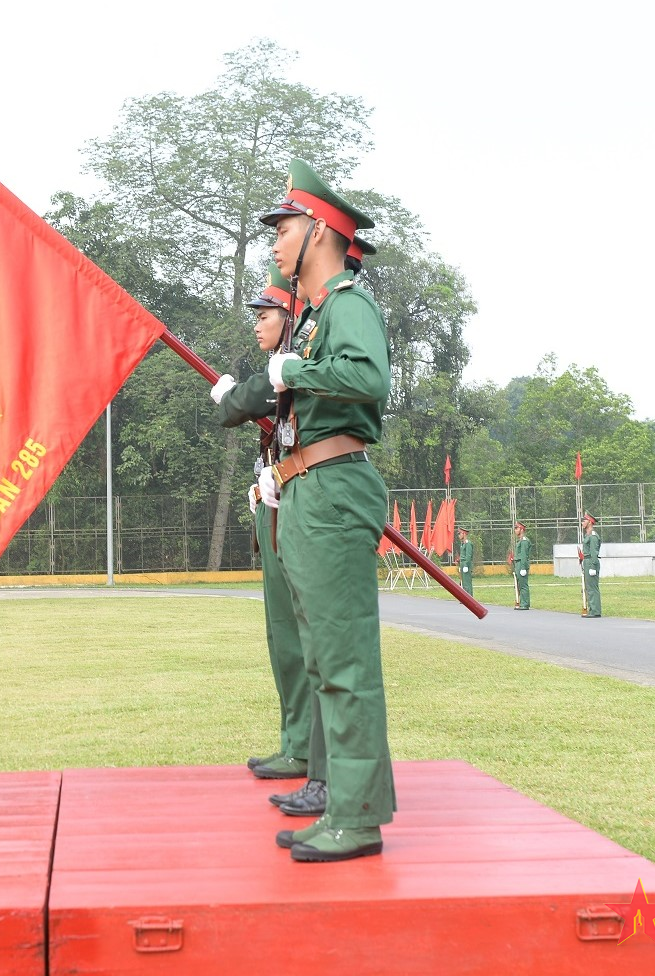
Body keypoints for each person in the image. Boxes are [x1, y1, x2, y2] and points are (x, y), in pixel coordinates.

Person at [257, 158, 393, 863]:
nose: (275, 244)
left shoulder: (347, 305)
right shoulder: (315, 316)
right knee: (322, 659)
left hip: (336, 484)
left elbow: (370, 380)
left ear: (318, 230)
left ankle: (358, 817)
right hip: (310, 484)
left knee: (343, 660)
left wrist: (295, 371)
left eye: (282, 229)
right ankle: (340, 803)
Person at [212, 261, 310, 785]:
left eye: (266, 314)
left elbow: (238, 406)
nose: (257, 322)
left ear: (288, 320)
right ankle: (295, 741)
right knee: (281, 633)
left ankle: (305, 746)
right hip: (275, 504)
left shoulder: (290, 366)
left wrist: (233, 395)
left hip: (298, 507)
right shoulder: (276, 367)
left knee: (297, 633)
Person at [581, 511, 602, 617]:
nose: (582, 523)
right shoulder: (588, 535)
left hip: (591, 562)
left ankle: (595, 611)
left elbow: (594, 551)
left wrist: (593, 566)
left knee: (592, 587)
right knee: (589, 587)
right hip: (587, 561)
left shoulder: (593, 536)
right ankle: (592, 609)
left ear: (589, 522)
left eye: (584, 520)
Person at [512, 521, 532, 609]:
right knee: (519, 584)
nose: (515, 530)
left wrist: (523, 567)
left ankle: (525, 603)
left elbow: (524, 555)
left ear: (522, 529)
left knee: (523, 585)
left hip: (521, 564)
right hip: (518, 563)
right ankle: (521, 602)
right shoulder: (520, 541)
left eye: (517, 528)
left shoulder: (524, 541)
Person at [456, 526, 475, 596]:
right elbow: (463, 555)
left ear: (464, 534)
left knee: (467, 582)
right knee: (463, 582)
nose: (459, 535)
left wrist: (466, 565)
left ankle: (469, 597)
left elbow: (468, 556)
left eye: (459, 534)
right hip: (462, 564)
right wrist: (459, 561)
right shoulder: (463, 544)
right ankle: (465, 597)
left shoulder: (468, 543)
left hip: (466, 565)